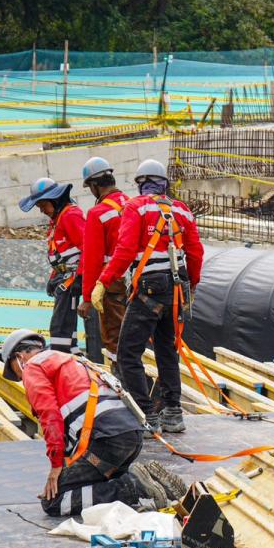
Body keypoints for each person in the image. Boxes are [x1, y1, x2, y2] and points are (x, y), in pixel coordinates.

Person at [0, 329, 186, 516]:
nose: (20, 378)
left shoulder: (33, 367)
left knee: (54, 502)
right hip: (130, 438)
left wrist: (55, 468)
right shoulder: (72, 360)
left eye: (14, 371)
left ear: (19, 357)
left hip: (107, 441)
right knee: (90, 484)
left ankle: (134, 486)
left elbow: (49, 415)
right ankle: (147, 481)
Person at [92, 159, 203, 434]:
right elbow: (196, 254)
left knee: (127, 353)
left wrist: (103, 281)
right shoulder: (182, 210)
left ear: (142, 183)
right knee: (167, 351)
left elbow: (125, 251)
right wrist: (192, 288)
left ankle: (146, 414)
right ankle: (173, 413)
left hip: (148, 291)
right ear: (164, 183)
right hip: (175, 291)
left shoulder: (136, 207)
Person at [20, 177, 87, 355]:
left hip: (72, 279)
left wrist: (80, 276)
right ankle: (71, 354)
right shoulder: (58, 218)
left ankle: (61, 357)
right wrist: (53, 277)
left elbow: (88, 247)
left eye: (43, 206)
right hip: (64, 278)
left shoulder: (70, 216)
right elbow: (60, 254)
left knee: (60, 326)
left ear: (55, 200)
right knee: (64, 326)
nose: (42, 211)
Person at [77, 156, 131, 366]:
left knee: (114, 336)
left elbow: (92, 259)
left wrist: (88, 297)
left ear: (95, 185)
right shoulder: (134, 204)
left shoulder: (97, 213)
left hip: (112, 283)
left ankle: (123, 381)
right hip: (137, 278)